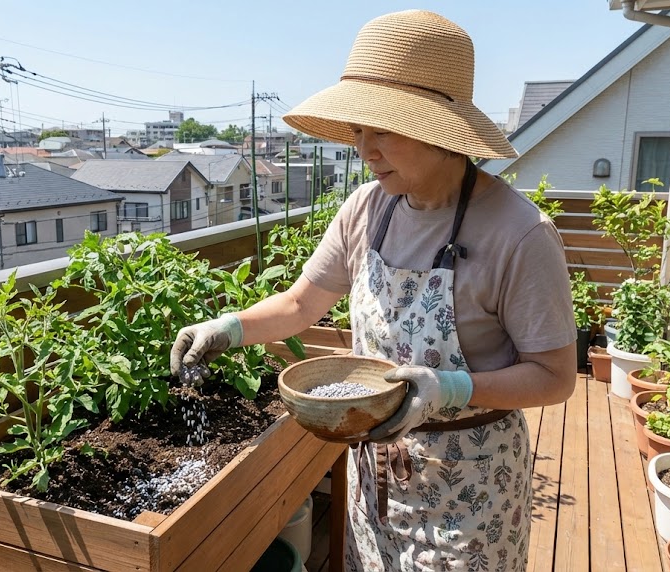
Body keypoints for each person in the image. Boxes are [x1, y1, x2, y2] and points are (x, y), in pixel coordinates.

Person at [170, 9, 575, 571]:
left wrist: (450, 388)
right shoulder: (367, 209)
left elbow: (555, 377)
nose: (364, 149)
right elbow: (301, 303)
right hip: (376, 477)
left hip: (473, 490)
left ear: (438, 129)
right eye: (358, 130)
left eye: (381, 129)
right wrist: (228, 328)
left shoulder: (519, 233)